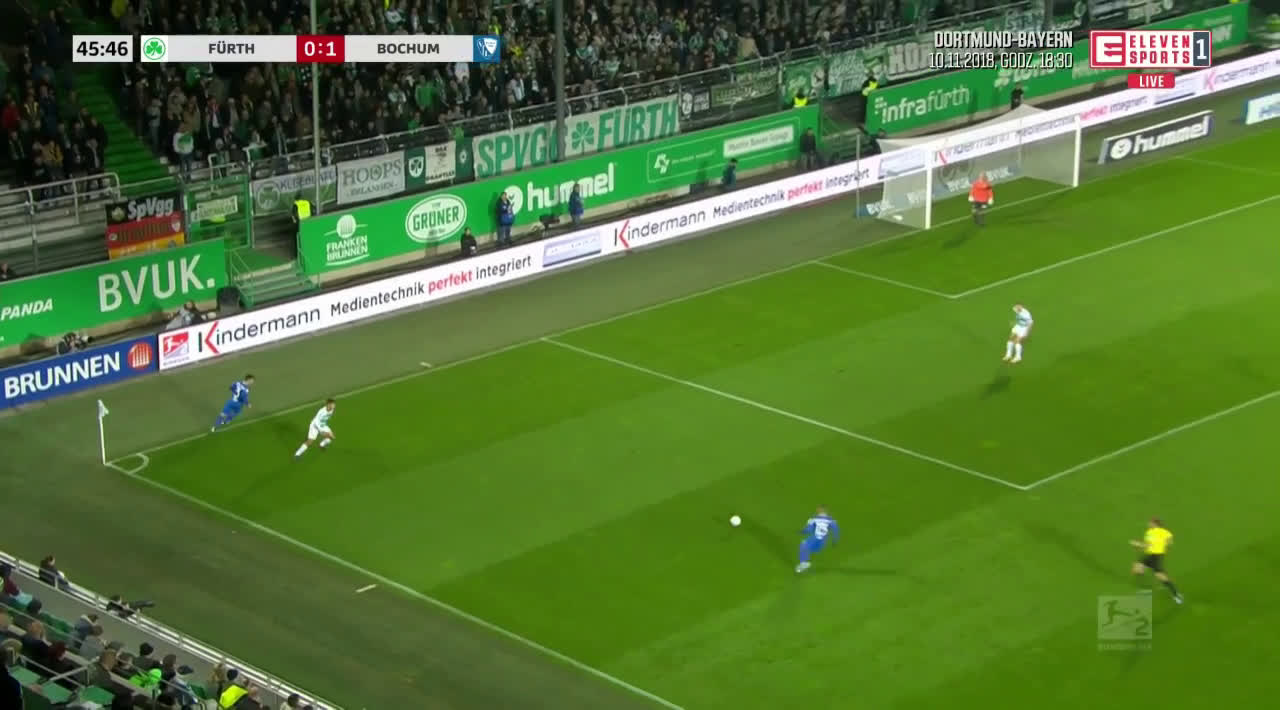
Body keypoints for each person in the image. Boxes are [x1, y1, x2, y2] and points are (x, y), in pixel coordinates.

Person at [1130, 518, 1183, 603]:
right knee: (1137, 569)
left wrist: (1136, 544)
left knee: (1160, 576)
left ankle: (1176, 594)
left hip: (1154, 557)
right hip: (1154, 555)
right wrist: (1161, 545)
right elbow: (1170, 542)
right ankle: (1147, 587)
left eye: (1150, 523)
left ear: (1155, 524)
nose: (1148, 524)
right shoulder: (1165, 532)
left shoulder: (1150, 532)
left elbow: (1146, 545)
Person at [796, 507, 839, 573]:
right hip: (823, 542)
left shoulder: (813, 519)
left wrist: (802, 531)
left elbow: (808, 529)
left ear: (818, 511)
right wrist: (835, 540)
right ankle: (805, 562)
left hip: (815, 539)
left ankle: (804, 563)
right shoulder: (831, 520)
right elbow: (836, 530)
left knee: (803, 545)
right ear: (826, 512)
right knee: (808, 548)